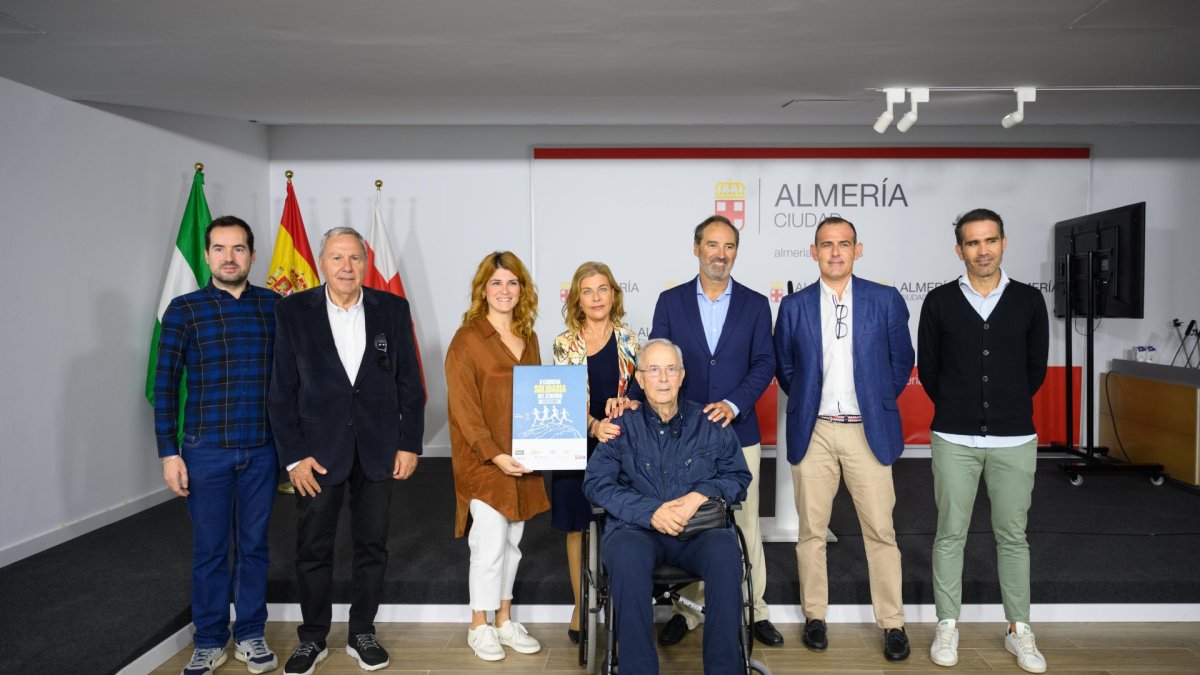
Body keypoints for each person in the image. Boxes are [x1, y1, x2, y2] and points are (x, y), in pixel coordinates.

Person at [268, 226, 425, 675]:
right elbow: (281, 391)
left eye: (354, 258)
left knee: (372, 545)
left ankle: (361, 632)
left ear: (365, 262)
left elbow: (410, 385)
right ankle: (312, 638)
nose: (346, 267)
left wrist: (409, 444)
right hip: (316, 455)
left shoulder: (392, 309)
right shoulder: (293, 311)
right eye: (337, 258)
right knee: (313, 548)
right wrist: (294, 457)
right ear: (322, 262)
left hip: (378, 449)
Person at [773, 216, 914, 661]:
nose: (835, 252)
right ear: (813, 252)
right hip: (813, 431)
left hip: (866, 431)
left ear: (858, 249)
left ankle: (892, 623)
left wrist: (872, 401)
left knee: (881, 532)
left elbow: (899, 362)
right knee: (811, 532)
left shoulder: (885, 299)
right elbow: (786, 369)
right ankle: (814, 616)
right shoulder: (794, 306)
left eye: (844, 244)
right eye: (827, 245)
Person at [918, 208, 1049, 673]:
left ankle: (1018, 630)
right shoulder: (938, 302)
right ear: (960, 250)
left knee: (1013, 536)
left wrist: (1004, 407)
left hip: (1015, 439)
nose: (982, 250)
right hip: (954, 436)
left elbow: (1035, 370)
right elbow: (930, 372)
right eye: (972, 243)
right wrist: (962, 407)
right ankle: (947, 624)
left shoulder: (1030, 302)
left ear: (1003, 243)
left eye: (990, 240)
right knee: (950, 534)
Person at [648, 215, 782, 647]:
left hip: (738, 432)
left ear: (735, 253)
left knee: (744, 522)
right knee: (690, 522)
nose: (720, 254)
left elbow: (765, 363)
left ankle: (754, 608)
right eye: (712, 245)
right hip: (682, 437)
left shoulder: (756, 303)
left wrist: (733, 402)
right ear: (696, 248)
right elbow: (657, 360)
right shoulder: (670, 302)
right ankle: (685, 613)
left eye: (728, 247)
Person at [154, 216, 281, 675]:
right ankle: (208, 641)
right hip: (204, 451)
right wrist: (169, 452)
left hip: (262, 451)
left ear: (251, 254)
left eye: (239, 249)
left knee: (254, 547)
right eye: (220, 249)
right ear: (207, 256)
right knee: (210, 550)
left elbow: (291, 382)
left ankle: (250, 634)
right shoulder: (184, 310)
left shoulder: (274, 306)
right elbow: (165, 385)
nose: (230, 257)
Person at [583, 338, 751, 675]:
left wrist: (699, 495)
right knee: (625, 557)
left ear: (682, 376)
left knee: (725, 553)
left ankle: (725, 669)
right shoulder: (621, 426)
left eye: (670, 370)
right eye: (653, 370)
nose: (662, 379)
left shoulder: (710, 422)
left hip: (698, 531)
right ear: (640, 379)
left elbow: (738, 477)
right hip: (636, 530)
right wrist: (650, 512)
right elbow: (596, 484)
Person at [446, 251, 550, 662]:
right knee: (487, 544)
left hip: (522, 459)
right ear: (482, 290)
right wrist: (494, 455)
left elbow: (539, 396)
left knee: (513, 544)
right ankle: (478, 625)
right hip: (484, 461)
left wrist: (542, 446)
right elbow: (463, 410)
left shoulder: (529, 334)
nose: (504, 290)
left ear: (521, 289)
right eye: (496, 283)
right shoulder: (467, 338)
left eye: (512, 282)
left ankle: (504, 620)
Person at [550, 261, 641, 644]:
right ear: (577, 299)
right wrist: (593, 427)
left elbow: (640, 396)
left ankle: (619, 602)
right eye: (587, 291)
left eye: (602, 289)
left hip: (619, 446)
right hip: (574, 442)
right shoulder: (563, 343)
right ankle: (580, 602)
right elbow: (562, 398)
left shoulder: (630, 340)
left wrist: (629, 406)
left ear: (614, 294)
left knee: (617, 525)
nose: (596, 297)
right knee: (576, 525)